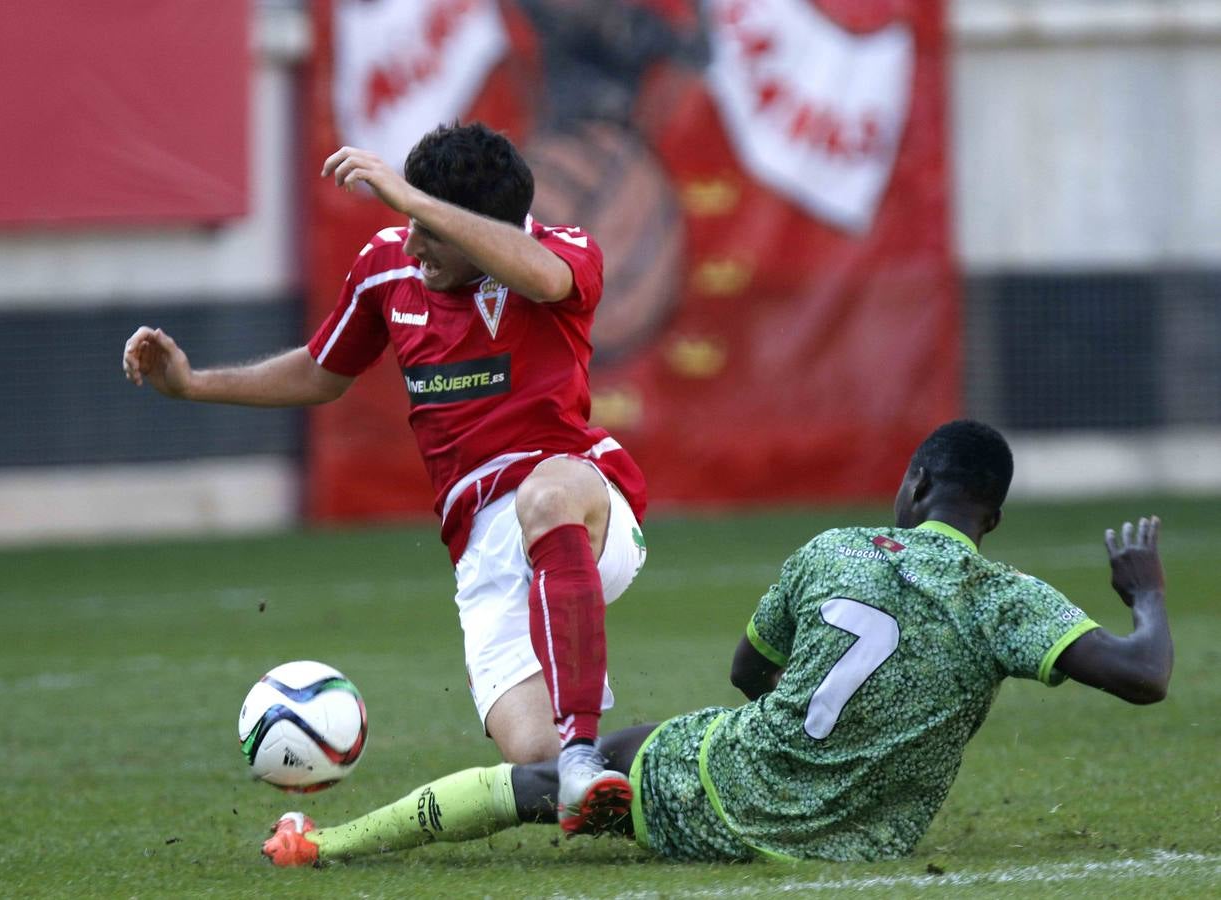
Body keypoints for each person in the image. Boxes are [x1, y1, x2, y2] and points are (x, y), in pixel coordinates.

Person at [260, 419, 1173, 867]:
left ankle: (326, 845)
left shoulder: (835, 549)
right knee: (631, 765)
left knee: (571, 769)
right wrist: (1147, 597)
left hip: (730, 793)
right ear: (994, 519)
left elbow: (747, 674)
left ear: (916, 482)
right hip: (865, 842)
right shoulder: (1010, 600)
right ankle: (625, 794)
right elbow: (1144, 676)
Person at [122, 122, 649, 832]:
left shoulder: (565, 253)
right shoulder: (386, 269)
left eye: (426, 227)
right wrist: (191, 385)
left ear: (472, 227)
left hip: (583, 506)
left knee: (546, 496)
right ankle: (666, 760)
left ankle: (584, 752)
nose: (410, 241)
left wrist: (415, 198)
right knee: (536, 763)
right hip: (484, 556)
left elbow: (545, 277)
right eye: (406, 221)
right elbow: (319, 371)